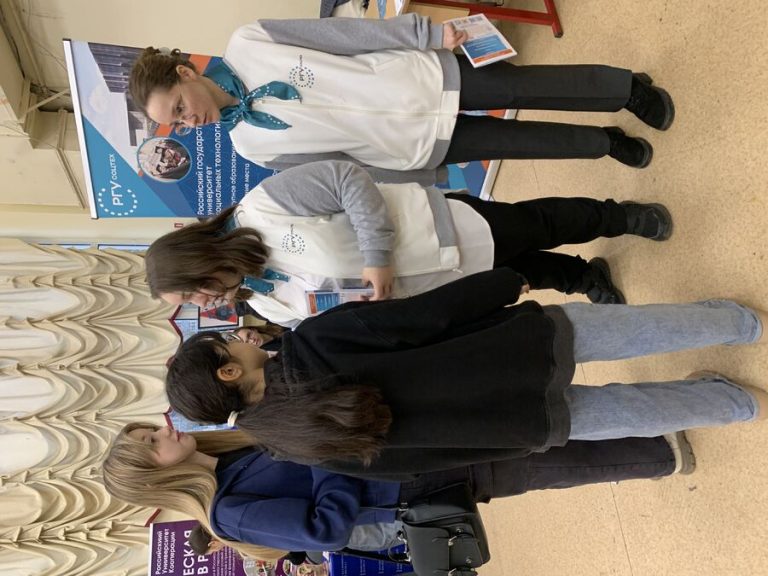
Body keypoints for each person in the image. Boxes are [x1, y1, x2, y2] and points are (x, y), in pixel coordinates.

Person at [162, 268, 766, 475]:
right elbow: (423, 317)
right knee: (636, 331)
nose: (237, 337)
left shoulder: (297, 445)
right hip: (512, 348)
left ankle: (738, 404)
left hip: (509, 424)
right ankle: (742, 325)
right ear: (227, 374)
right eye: (226, 346)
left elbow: (415, 463)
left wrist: (505, 442)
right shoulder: (312, 344)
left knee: (627, 412)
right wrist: (504, 283)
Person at [129, 14, 674, 185]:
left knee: (524, 86)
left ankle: (625, 90)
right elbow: (342, 167)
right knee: (522, 142)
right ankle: (605, 143)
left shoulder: (250, 42)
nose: (189, 122)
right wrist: (418, 176)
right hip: (413, 145)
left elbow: (345, 37)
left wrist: (425, 35)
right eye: (179, 126)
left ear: (185, 73)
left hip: (419, 78)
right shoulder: (250, 147)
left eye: (178, 108)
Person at [145, 160, 672, 326]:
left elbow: (346, 179)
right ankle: (585, 276)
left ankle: (618, 216)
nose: (202, 304)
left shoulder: (263, 207)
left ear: (197, 261)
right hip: (434, 285)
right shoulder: (265, 304)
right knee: (523, 273)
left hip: (438, 229)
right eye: (191, 304)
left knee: (538, 224)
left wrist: (377, 257)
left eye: (191, 292)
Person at [102, 422, 692, 553]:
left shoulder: (231, 454)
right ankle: (661, 455)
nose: (164, 429)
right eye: (152, 441)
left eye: (150, 429)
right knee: (539, 468)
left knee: (535, 444)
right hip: (406, 486)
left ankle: (651, 440)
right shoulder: (228, 512)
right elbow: (324, 531)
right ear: (158, 474)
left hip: (400, 458)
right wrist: (319, 452)